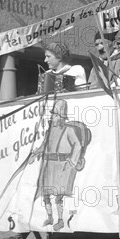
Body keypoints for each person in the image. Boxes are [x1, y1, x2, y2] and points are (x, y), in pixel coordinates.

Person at [29, 99, 91, 231]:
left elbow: (77, 145)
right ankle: (50, 217)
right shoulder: (49, 131)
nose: (53, 118)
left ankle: (61, 220)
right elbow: (43, 146)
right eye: (53, 115)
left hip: (61, 165)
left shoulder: (69, 130)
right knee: (46, 193)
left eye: (56, 115)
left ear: (62, 118)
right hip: (48, 164)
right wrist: (34, 155)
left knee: (58, 196)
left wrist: (72, 162)